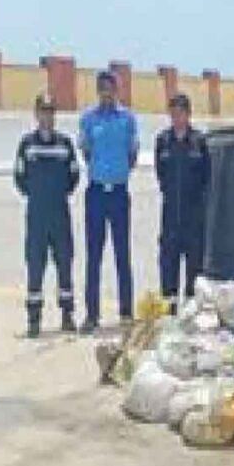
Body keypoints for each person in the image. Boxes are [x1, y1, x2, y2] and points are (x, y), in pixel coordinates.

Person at [13, 93, 80, 337]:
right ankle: (34, 319)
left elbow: (74, 177)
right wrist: (37, 196)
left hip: (60, 214)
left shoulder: (65, 144)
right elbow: (19, 179)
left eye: (51, 111)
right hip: (37, 215)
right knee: (35, 266)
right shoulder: (27, 144)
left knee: (64, 263)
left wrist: (57, 194)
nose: (47, 116)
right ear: (36, 114)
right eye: (43, 111)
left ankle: (67, 315)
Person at [78, 70, 138, 333]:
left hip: (119, 194)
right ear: (97, 90)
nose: (106, 93)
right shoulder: (88, 119)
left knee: (122, 254)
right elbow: (86, 152)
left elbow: (132, 154)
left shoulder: (127, 119)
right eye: (102, 88)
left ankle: (126, 312)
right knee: (94, 255)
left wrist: (118, 171)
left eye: (110, 88)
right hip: (96, 193)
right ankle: (92, 315)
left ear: (117, 90)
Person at [155, 93, 211, 314]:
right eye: (173, 113)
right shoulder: (163, 141)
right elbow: (161, 176)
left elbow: (207, 177)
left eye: (181, 113)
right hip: (170, 216)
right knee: (168, 266)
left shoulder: (199, 142)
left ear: (188, 114)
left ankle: (191, 312)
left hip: (193, 217)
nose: (177, 118)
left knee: (194, 269)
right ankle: (169, 313)